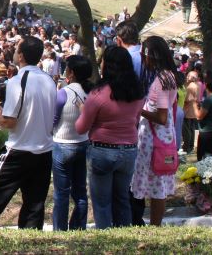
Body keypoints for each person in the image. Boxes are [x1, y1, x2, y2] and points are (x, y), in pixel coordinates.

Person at [0, 36, 56, 229]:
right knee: (34, 205)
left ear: (22, 56)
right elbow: (33, 112)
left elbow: (11, 121)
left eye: (17, 50)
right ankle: (30, 241)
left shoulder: (18, 81)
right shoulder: (49, 80)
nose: (15, 53)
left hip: (18, 150)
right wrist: (2, 114)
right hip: (43, 152)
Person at [74, 46, 144, 229]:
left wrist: (82, 111)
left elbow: (81, 127)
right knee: (122, 199)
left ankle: (104, 237)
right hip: (129, 150)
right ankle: (124, 237)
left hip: (102, 151)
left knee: (102, 202)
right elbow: (135, 120)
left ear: (108, 65)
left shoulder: (98, 94)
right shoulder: (137, 92)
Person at [130, 36, 180, 227]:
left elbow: (161, 116)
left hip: (155, 139)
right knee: (155, 183)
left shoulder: (162, 80)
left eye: (144, 55)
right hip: (158, 137)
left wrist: (138, 109)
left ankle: (155, 226)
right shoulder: (166, 76)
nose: (143, 60)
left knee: (157, 185)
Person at [52, 54, 93, 231]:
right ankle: (79, 226)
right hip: (83, 144)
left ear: (71, 72)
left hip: (62, 144)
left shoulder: (62, 93)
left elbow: (52, 120)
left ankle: (60, 229)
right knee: (80, 191)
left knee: (61, 193)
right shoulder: (92, 93)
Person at [194, 73, 212, 161]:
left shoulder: (208, 100)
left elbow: (199, 117)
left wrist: (194, 105)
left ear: (206, 85)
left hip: (206, 131)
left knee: (203, 156)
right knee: (211, 153)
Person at [181, 71, 200, 154]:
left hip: (188, 110)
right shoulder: (197, 85)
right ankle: (191, 145)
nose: (187, 77)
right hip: (193, 110)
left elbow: (187, 99)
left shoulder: (190, 87)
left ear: (192, 78)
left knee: (187, 130)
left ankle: (187, 146)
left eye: (188, 76)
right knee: (192, 129)